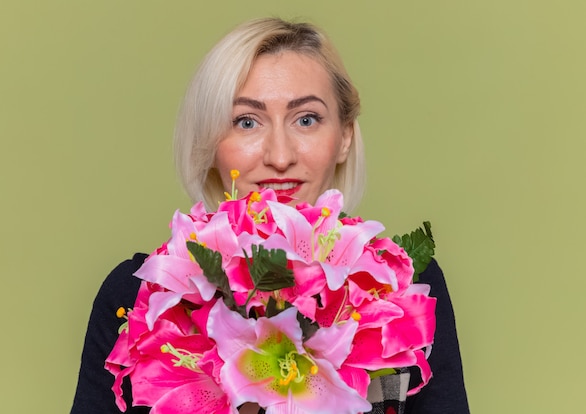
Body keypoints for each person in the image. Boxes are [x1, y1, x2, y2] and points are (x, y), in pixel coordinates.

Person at [71, 17, 469, 414]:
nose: (280, 157)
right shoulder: (136, 295)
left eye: (306, 119)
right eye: (246, 121)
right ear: (210, 143)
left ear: (344, 136)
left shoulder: (404, 287)